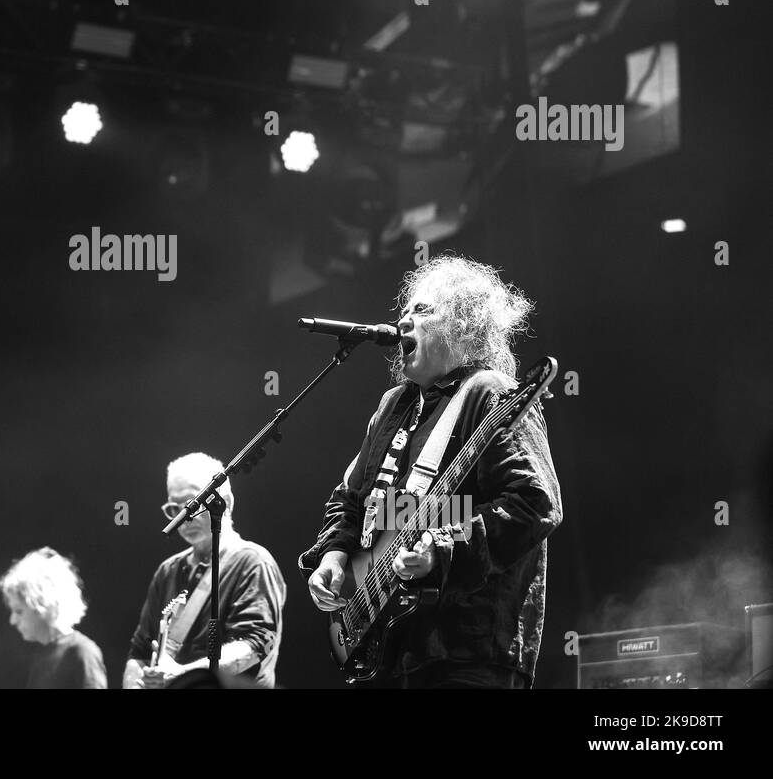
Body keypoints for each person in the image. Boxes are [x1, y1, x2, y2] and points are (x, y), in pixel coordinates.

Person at [300, 255, 563, 688]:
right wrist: (334, 556)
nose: (403, 320)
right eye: (404, 310)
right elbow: (350, 499)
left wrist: (441, 551)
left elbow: (533, 504)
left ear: (464, 325)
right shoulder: (394, 405)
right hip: (393, 652)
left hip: (468, 652)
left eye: (422, 310)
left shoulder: (490, 393)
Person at [124, 453, 286, 689]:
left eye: (194, 504)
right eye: (175, 508)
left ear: (226, 502)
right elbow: (139, 652)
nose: (185, 517)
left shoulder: (253, 562)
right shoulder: (168, 571)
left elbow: (257, 643)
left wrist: (183, 676)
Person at [0, 547, 107, 689]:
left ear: (43, 605)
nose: (12, 620)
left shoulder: (82, 652)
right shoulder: (42, 655)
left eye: (19, 611)